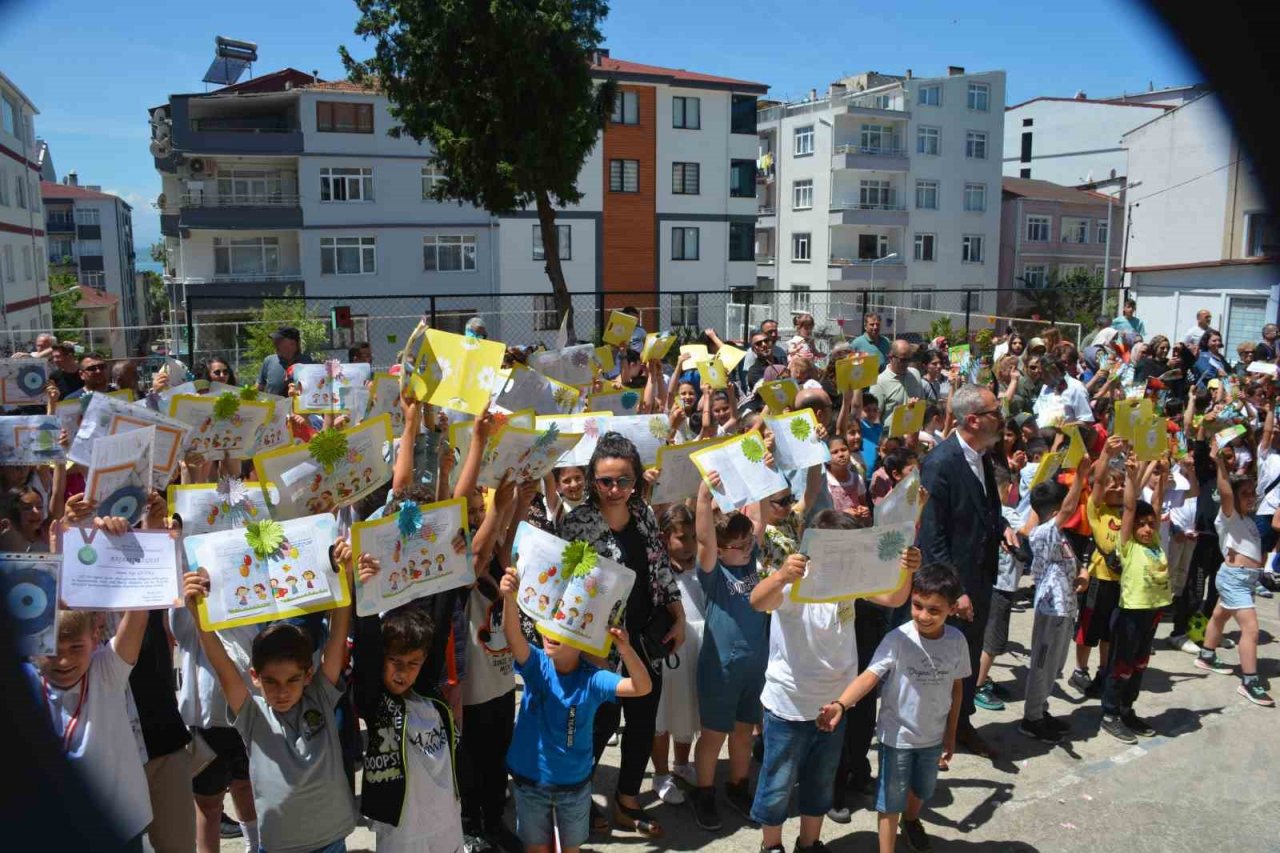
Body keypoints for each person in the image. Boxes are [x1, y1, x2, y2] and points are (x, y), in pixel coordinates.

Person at [747, 510, 920, 853]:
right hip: (789, 705)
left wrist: (906, 570)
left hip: (835, 704)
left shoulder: (850, 579)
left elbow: (895, 598)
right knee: (777, 784)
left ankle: (809, 843)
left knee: (820, 782)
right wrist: (781, 575)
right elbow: (757, 600)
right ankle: (771, 846)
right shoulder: (797, 578)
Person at [181, 544, 358, 853]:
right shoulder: (252, 713)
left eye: (292, 679)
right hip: (278, 846)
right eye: (271, 681)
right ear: (254, 677)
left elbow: (337, 637)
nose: (282, 691)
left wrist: (346, 578)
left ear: (308, 674)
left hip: (331, 841)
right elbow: (221, 664)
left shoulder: (321, 696)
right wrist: (198, 614)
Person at [559, 434, 684, 836]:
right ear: (592, 479)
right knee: (599, 724)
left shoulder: (643, 512)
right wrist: (583, 650)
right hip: (599, 646)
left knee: (643, 722)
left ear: (635, 481)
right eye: (604, 481)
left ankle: (627, 801)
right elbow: (563, 586)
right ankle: (579, 799)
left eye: (623, 481)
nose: (614, 490)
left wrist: (677, 615)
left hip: (646, 638)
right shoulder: (577, 523)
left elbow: (659, 564)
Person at [816, 563, 971, 853]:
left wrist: (951, 733)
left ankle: (911, 822)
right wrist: (841, 704)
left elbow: (957, 689)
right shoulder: (897, 639)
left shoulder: (957, 642)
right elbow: (869, 676)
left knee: (922, 790)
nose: (923, 616)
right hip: (896, 737)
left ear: (952, 608)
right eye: (917, 605)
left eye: (934, 610)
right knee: (890, 802)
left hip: (933, 737)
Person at [498, 562, 651, 853]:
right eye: (550, 622)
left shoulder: (593, 679)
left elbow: (641, 687)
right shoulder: (536, 665)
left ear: (585, 638)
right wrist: (509, 597)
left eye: (565, 625)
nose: (552, 631)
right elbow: (513, 635)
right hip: (531, 782)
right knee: (536, 848)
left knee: (571, 849)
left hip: (575, 787)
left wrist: (626, 649)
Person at [914, 384, 1011, 757]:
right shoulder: (941, 463)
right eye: (994, 412)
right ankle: (932, 734)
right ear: (973, 419)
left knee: (967, 658)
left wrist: (1003, 530)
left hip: (981, 575)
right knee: (941, 662)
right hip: (952, 586)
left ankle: (961, 721)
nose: (1001, 419)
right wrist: (955, 592)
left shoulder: (982, 456)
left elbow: (989, 508)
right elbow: (933, 537)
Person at [31, 591, 153, 850]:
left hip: (118, 826)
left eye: (76, 647)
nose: (63, 660)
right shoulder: (22, 682)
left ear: (95, 638)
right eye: (52, 650)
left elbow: (138, 617)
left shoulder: (107, 669)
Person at [351, 573, 464, 852]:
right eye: (394, 661)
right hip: (403, 834)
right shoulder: (377, 704)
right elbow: (366, 644)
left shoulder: (430, 696)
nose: (403, 671)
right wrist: (363, 584)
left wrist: (450, 560)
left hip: (447, 823)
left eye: (413, 663)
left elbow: (438, 634)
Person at [690, 479, 771, 831]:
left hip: (755, 665)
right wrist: (704, 498)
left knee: (743, 732)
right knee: (713, 736)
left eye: (748, 543)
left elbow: (761, 522)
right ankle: (703, 792)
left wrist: (762, 479)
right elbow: (705, 538)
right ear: (721, 551)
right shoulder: (713, 572)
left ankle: (738, 786)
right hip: (720, 668)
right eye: (737, 547)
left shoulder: (752, 561)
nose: (746, 550)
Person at [1099, 455, 1172, 743]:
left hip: (1150, 614)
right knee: (1121, 666)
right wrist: (1131, 476)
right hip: (1130, 613)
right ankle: (1110, 714)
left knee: (1140, 665)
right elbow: (1131, 507)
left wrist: (1162, 477)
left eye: (1150, 524)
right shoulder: (1128, 544)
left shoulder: (1153, 541)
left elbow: (1155, 505)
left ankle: (1127, 710)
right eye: (1140, 524)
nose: (1145, 528)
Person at [1196, 445, 1275, 706]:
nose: (1251, 497)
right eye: (1246, 494)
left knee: (1219, 616)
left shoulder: (1249, 521)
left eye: (1253, 493)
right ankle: (1249, 682)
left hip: (1244, 580)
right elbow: (1227, 492)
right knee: (1251, 630)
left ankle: (1206, 655)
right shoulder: (1227, 517)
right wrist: (1220, 463)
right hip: (1234, 578)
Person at [1019, 464, 1089, 743]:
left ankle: (1041, 709)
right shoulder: (1042, 532)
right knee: (1043, 664)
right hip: (1051, 610)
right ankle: (1031, 719)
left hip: (1064, 608)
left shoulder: (1058, 535)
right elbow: (1069, 509)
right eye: (1062, 508)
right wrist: (1080, 478)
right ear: (1053, 511)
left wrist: (1081, 575)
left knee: (1055, 665)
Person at [1070, 436, 1127, 698]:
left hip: (1120, 582)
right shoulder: (1097, 509)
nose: (1117, 489)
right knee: (1088, 628)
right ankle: (1080, 670)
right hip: (1097, 580)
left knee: (1109, 631)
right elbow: (1101, 480)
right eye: (1114, 485)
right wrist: (1105, 453)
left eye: (1122, 486)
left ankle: (1103, 671)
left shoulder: (1128, 512)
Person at [973, 465, 1028, 713]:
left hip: (987, 583)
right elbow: (1027, 533)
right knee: (993, 641)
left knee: (985, 636)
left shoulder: (985, 512)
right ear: (1008, 488)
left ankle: (979, 678)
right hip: (1002, 587)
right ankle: (977, 685)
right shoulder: (1010, 515)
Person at [871, 340, 926, 426]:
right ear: (891, 357)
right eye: (903, 360)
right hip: (892, 436)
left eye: (909, 359)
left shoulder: (915, 374)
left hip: (914, 432)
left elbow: (922, 404)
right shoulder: (879, 382)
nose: (906, 363)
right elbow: (874, 418)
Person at [257, 326, 312, 396]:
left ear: (292, 344)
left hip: (298, 406)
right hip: (274, 406)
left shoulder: (307, 362)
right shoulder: (269, 361)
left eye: (279, 341)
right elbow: (259, 387)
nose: (274, 343)